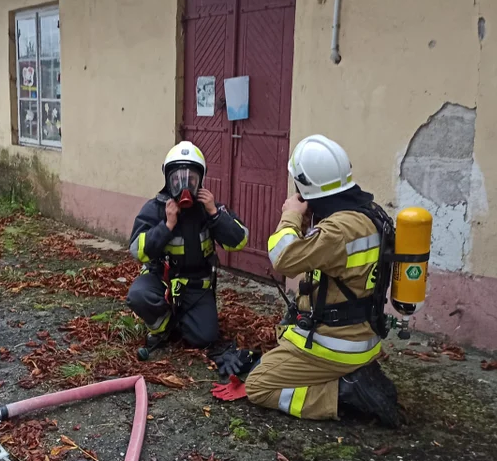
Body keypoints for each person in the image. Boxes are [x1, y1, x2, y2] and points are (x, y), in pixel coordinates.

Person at [215, 134, 400, 427]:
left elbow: (283, 258)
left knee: (259, 384)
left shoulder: (338, 230)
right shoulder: (369, 215)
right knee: (277, 348)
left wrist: (291, 216)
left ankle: (345, 391)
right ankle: (349, 375)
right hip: (363, 336)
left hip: (336, 346)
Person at [126, 141, 249, 351]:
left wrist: (215, 214)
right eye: (178, 179)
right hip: (162, 280)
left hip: (196, 285)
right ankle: (163, 326)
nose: (184, 185)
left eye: (191, 178)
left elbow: (239, 241)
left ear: (200, 180)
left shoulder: (210, 209)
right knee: (138, 295)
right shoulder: (155, 208)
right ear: (168, 179)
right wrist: (167, 225)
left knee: (205, 338)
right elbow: (137, 251)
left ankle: (182, 319)